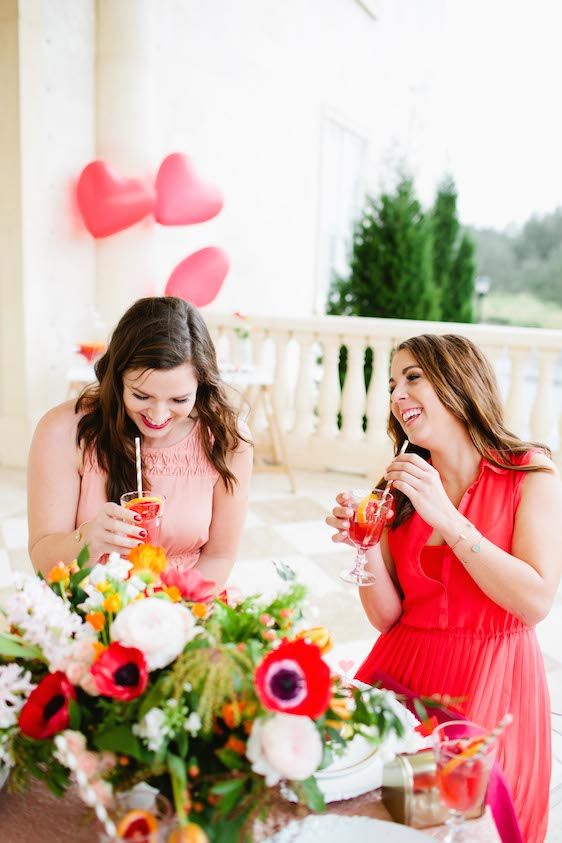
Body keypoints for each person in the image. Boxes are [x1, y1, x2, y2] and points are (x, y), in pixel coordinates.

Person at [326, 333, 562, 843]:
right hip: (402, 675)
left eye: (413, 378)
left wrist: (450, 520)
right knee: (388, 821)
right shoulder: (399, 485)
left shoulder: (530, 472)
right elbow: (386, 617)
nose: (396, 395)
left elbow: (536, 601)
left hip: (492, 682)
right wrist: (362, 547)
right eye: (392, 385)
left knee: (469, 825)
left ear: (460, 381)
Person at [28, 296, 253, 590]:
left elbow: (219, 556)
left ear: (202, 384)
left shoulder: (227, 439)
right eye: (142, 396)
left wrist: (168, 613)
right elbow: (42, 560)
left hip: (185, 608)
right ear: (117, 377)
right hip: (89, 609)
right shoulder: (63, 431)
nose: (158, 416)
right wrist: (86, 541)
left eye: (179, 399)